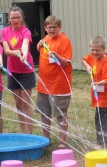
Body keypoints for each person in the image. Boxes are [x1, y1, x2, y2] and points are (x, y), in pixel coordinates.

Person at [36, 15, 73, 149]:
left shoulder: (64, 41)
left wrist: (56, 55)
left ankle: (62, 141)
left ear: (59, 27)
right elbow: (39, 51)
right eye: (49, 27)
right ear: (45, 28)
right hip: (44, 86)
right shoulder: (45, 39)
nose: (52, 29)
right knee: (45, 113)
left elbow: (66, 64)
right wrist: (38, 45)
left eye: (54, 27)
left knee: (60, 115)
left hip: (60, 86)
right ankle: (46, 139)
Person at [0, 6, 35, 134]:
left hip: (26, 71)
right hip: (12, 71)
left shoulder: (25, 31)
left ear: (22, 18)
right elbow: (7, 51)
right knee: (18, 103)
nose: (15, 20)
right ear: (9, 19)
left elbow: (25, 44)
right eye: (13, 18)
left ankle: (30, 134)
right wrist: (16, 52)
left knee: (26, 102)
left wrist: (24, 54)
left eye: (18, 17)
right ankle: (23, 132)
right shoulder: (4, 31)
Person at [81, 36, 107, 149]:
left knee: (104, 117)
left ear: (104, 49)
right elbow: (84, 60)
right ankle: (103, 141)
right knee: (99, 117)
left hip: (106, 94)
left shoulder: (106, 60)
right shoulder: (92, 56)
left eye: (97, 50)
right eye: (92, 50)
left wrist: (98, 84)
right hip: (98, 93)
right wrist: (88, 67)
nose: (94, 52)